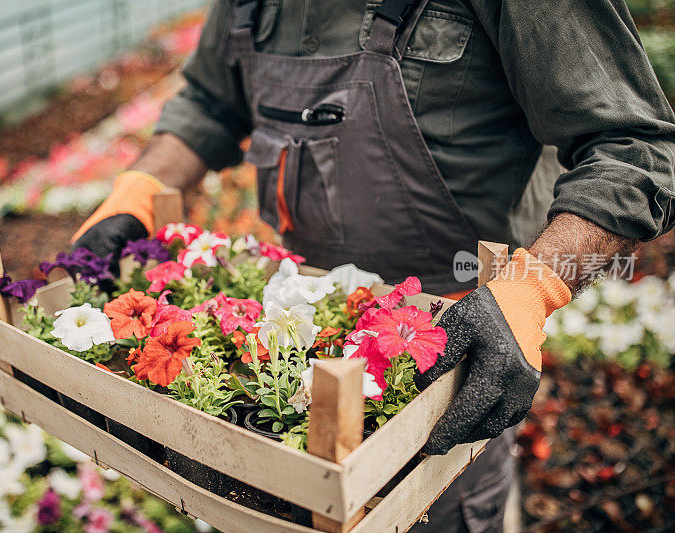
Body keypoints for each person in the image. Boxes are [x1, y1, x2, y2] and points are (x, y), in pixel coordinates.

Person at [71, 0, 675, 530]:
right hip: (299, 334)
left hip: (451, 352)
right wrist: (138, 194)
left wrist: (532, 292)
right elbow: (209, 101)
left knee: (448, 509)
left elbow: (635, 150)